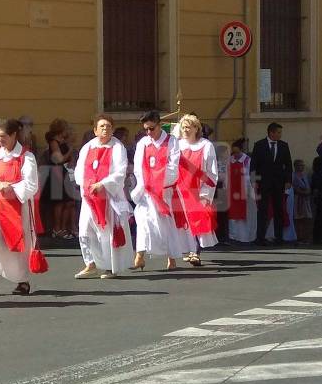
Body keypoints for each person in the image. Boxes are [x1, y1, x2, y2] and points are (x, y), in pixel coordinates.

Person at [0, 118, 39, 296]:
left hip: (18, 206)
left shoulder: (27, 156)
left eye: (3, 136)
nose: (0, 140)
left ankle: (23, 281)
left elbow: (31, 184)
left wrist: (11, 188)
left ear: (13, 135)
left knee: (19, 242)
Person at [74, 114, 133, 278]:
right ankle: (91, 263)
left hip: (108, 197)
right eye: (102, 126)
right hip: (90, 197)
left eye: (108, 126)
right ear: (95, 130)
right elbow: (80, 169)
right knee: (85, 230)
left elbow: (120, 171)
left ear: (112, 129)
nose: (105, 129)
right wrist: (84, 184)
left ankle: (109, 267)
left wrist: (103, 184)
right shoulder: (88, 147)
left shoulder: (117, 147)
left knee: (106, 232)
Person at [131, 110, 182, 268]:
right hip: (146, 191)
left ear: (160, 125)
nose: (148, 132)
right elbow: (138, 167)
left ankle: (171, 258)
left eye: (151, 128)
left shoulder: (171, 142)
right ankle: (139, 255)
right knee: (144, 222)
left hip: (164, 190)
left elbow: (173, 166)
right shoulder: (143, 143)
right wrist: (145, 183)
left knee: (165, 224)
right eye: (145, 129)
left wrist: (159, 181)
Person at [174, 113, 219, 266]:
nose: (185, 130)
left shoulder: (206, 145)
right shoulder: (177, 145)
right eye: (183, 127)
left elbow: (211, 171)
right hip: (180, 190)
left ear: (196, 128)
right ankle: (189, 249)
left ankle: (196, 252)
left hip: (198, 190)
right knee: (184, 222)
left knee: (198, 220)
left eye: (188, 127)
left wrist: (206, 193)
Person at [250, 122, 292, 246]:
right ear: (271, 133)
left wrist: (288, 180)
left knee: (279, 209)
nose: (280, 135)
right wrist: (254, 180)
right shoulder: (259, 145)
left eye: (280, 133)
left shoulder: (284, 146)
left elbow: (288, 165)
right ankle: (260, 238)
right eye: (278, 132)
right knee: (262, 210)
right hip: (263, 182)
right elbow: (254, 164)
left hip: (278, 183)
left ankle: (279, 237)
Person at [44, 118, 76, 239]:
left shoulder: (62, 142)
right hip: (56, 172)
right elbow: (59, 159)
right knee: (58, 202)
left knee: (66, 201)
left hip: (63, 172)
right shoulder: (53, 142)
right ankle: (56, 228)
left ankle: (63, 227)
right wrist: (70, 150)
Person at [225, 137, 256, 244]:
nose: (234, 153)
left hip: (244, 191)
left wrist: (249, 190)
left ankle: (244, 236)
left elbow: (249, 175)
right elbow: (226, 176)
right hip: (232, 191)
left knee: (244, 216)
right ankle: (232, 236)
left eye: (236, 150)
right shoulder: (230, 160)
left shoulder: (247, 160)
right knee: (233, 215)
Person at [291, 158, 314, 245]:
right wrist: (300, 191)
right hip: (298, 200)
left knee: (307, 219)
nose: (302, 167)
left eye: (303, 165)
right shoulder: (293, 175)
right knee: (298, 219)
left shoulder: (305, 175)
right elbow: (292, 187)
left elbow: (309, 186)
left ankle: (306, 238)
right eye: (300, 165)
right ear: (295, 166)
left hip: (306, 200)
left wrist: (307, 191)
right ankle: (299, 238)